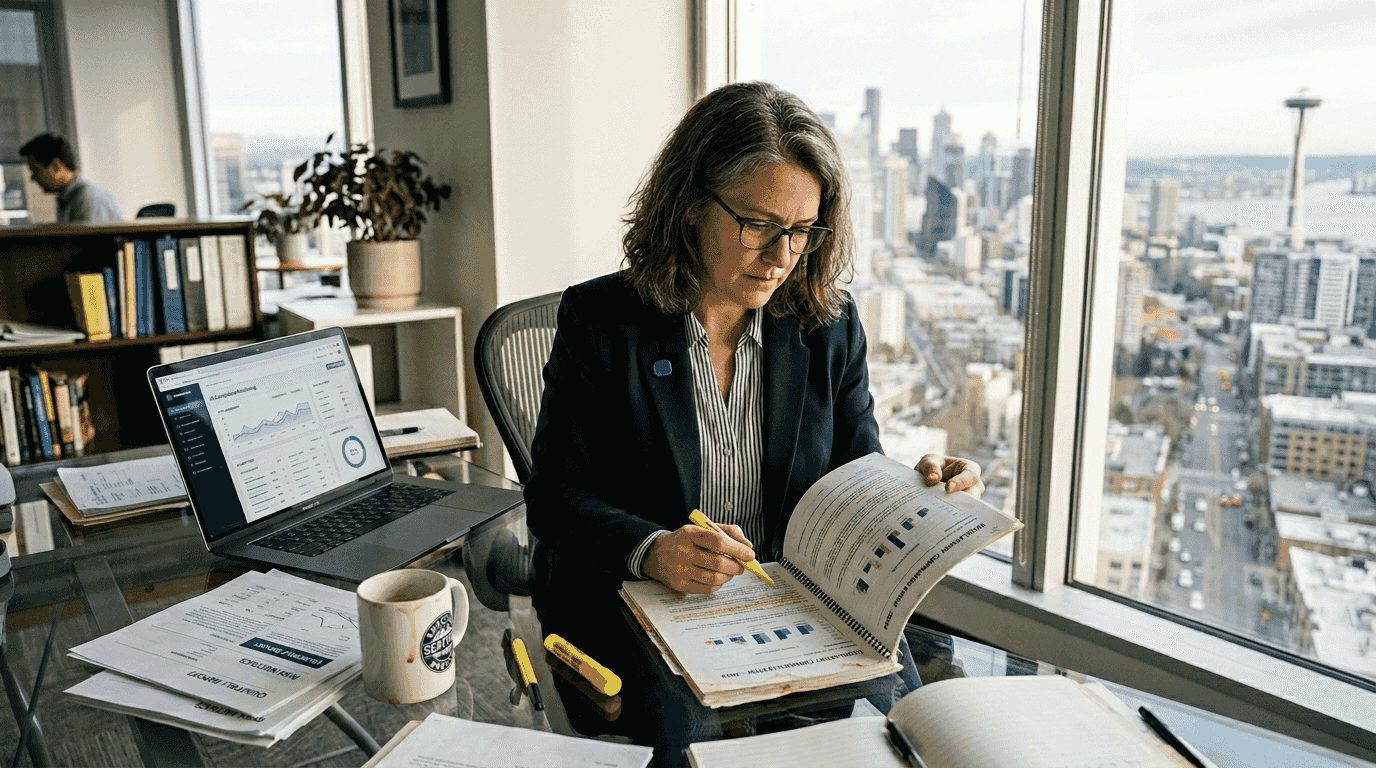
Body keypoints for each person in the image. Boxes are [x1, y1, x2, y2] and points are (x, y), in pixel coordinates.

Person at [522, 81, 983, 765]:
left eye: (803, 231)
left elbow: (857, 477)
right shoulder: (602, 324)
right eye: (760, 225)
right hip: (645, 605)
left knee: (909, 738)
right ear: (689, 206)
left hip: (790, 604)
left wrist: (922, 493)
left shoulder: (828, 327)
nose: (781, 256)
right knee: (694, 752)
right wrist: (654, 548)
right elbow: (553, 499)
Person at [20, 133, 123, 223]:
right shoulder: (68, 198)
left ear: (56, 166)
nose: (32, 178)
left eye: (36, 170)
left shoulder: (87, 199)